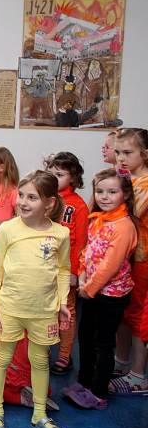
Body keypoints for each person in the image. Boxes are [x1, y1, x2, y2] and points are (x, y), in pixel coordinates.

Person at [0, 170, 71, 428]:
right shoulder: (8, 229)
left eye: (32, 197)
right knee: (2, 357)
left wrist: (62, 303)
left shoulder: (61, 233)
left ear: (49, 203)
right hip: (9, 308)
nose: (23, 201)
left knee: (40, 361)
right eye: (21, 195)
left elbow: (63, 270)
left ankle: (40, 413)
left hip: (43, 312)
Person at [61, 168, 137, 410]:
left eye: (112, 192)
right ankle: (84, 382)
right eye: (100, 191)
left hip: (111, 295)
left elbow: (110, 266)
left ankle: (98, 392)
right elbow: (86, 252)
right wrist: (82, 278)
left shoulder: (124, 226)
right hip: (90, 290)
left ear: (124, 194)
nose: (105, 196)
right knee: (85, 337)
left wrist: (88, 289)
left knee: (103, 343)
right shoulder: (97, 219)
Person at [110, 128, 148, 394]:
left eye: (128, 153)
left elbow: (131, 212)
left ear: (144, 154)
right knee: (123, 312)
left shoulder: (144, 183)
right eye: (118, 152)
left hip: (143, 258)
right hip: (126, 257)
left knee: (137, 315)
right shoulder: (127, 179)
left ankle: (137, 375)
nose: (121, 158)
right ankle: (121, 363)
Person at [44, 152, 89, 375]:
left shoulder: (78, 206)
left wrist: (75, 272)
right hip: (43, 267)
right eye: (51, 173)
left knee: (66, 312)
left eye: (59, 175)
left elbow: (81, 242)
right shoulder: (43, 200)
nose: (54, 178)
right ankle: (41, 351)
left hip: (65, 269)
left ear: (72, 177)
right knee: (43, 310)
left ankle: (64, 356)